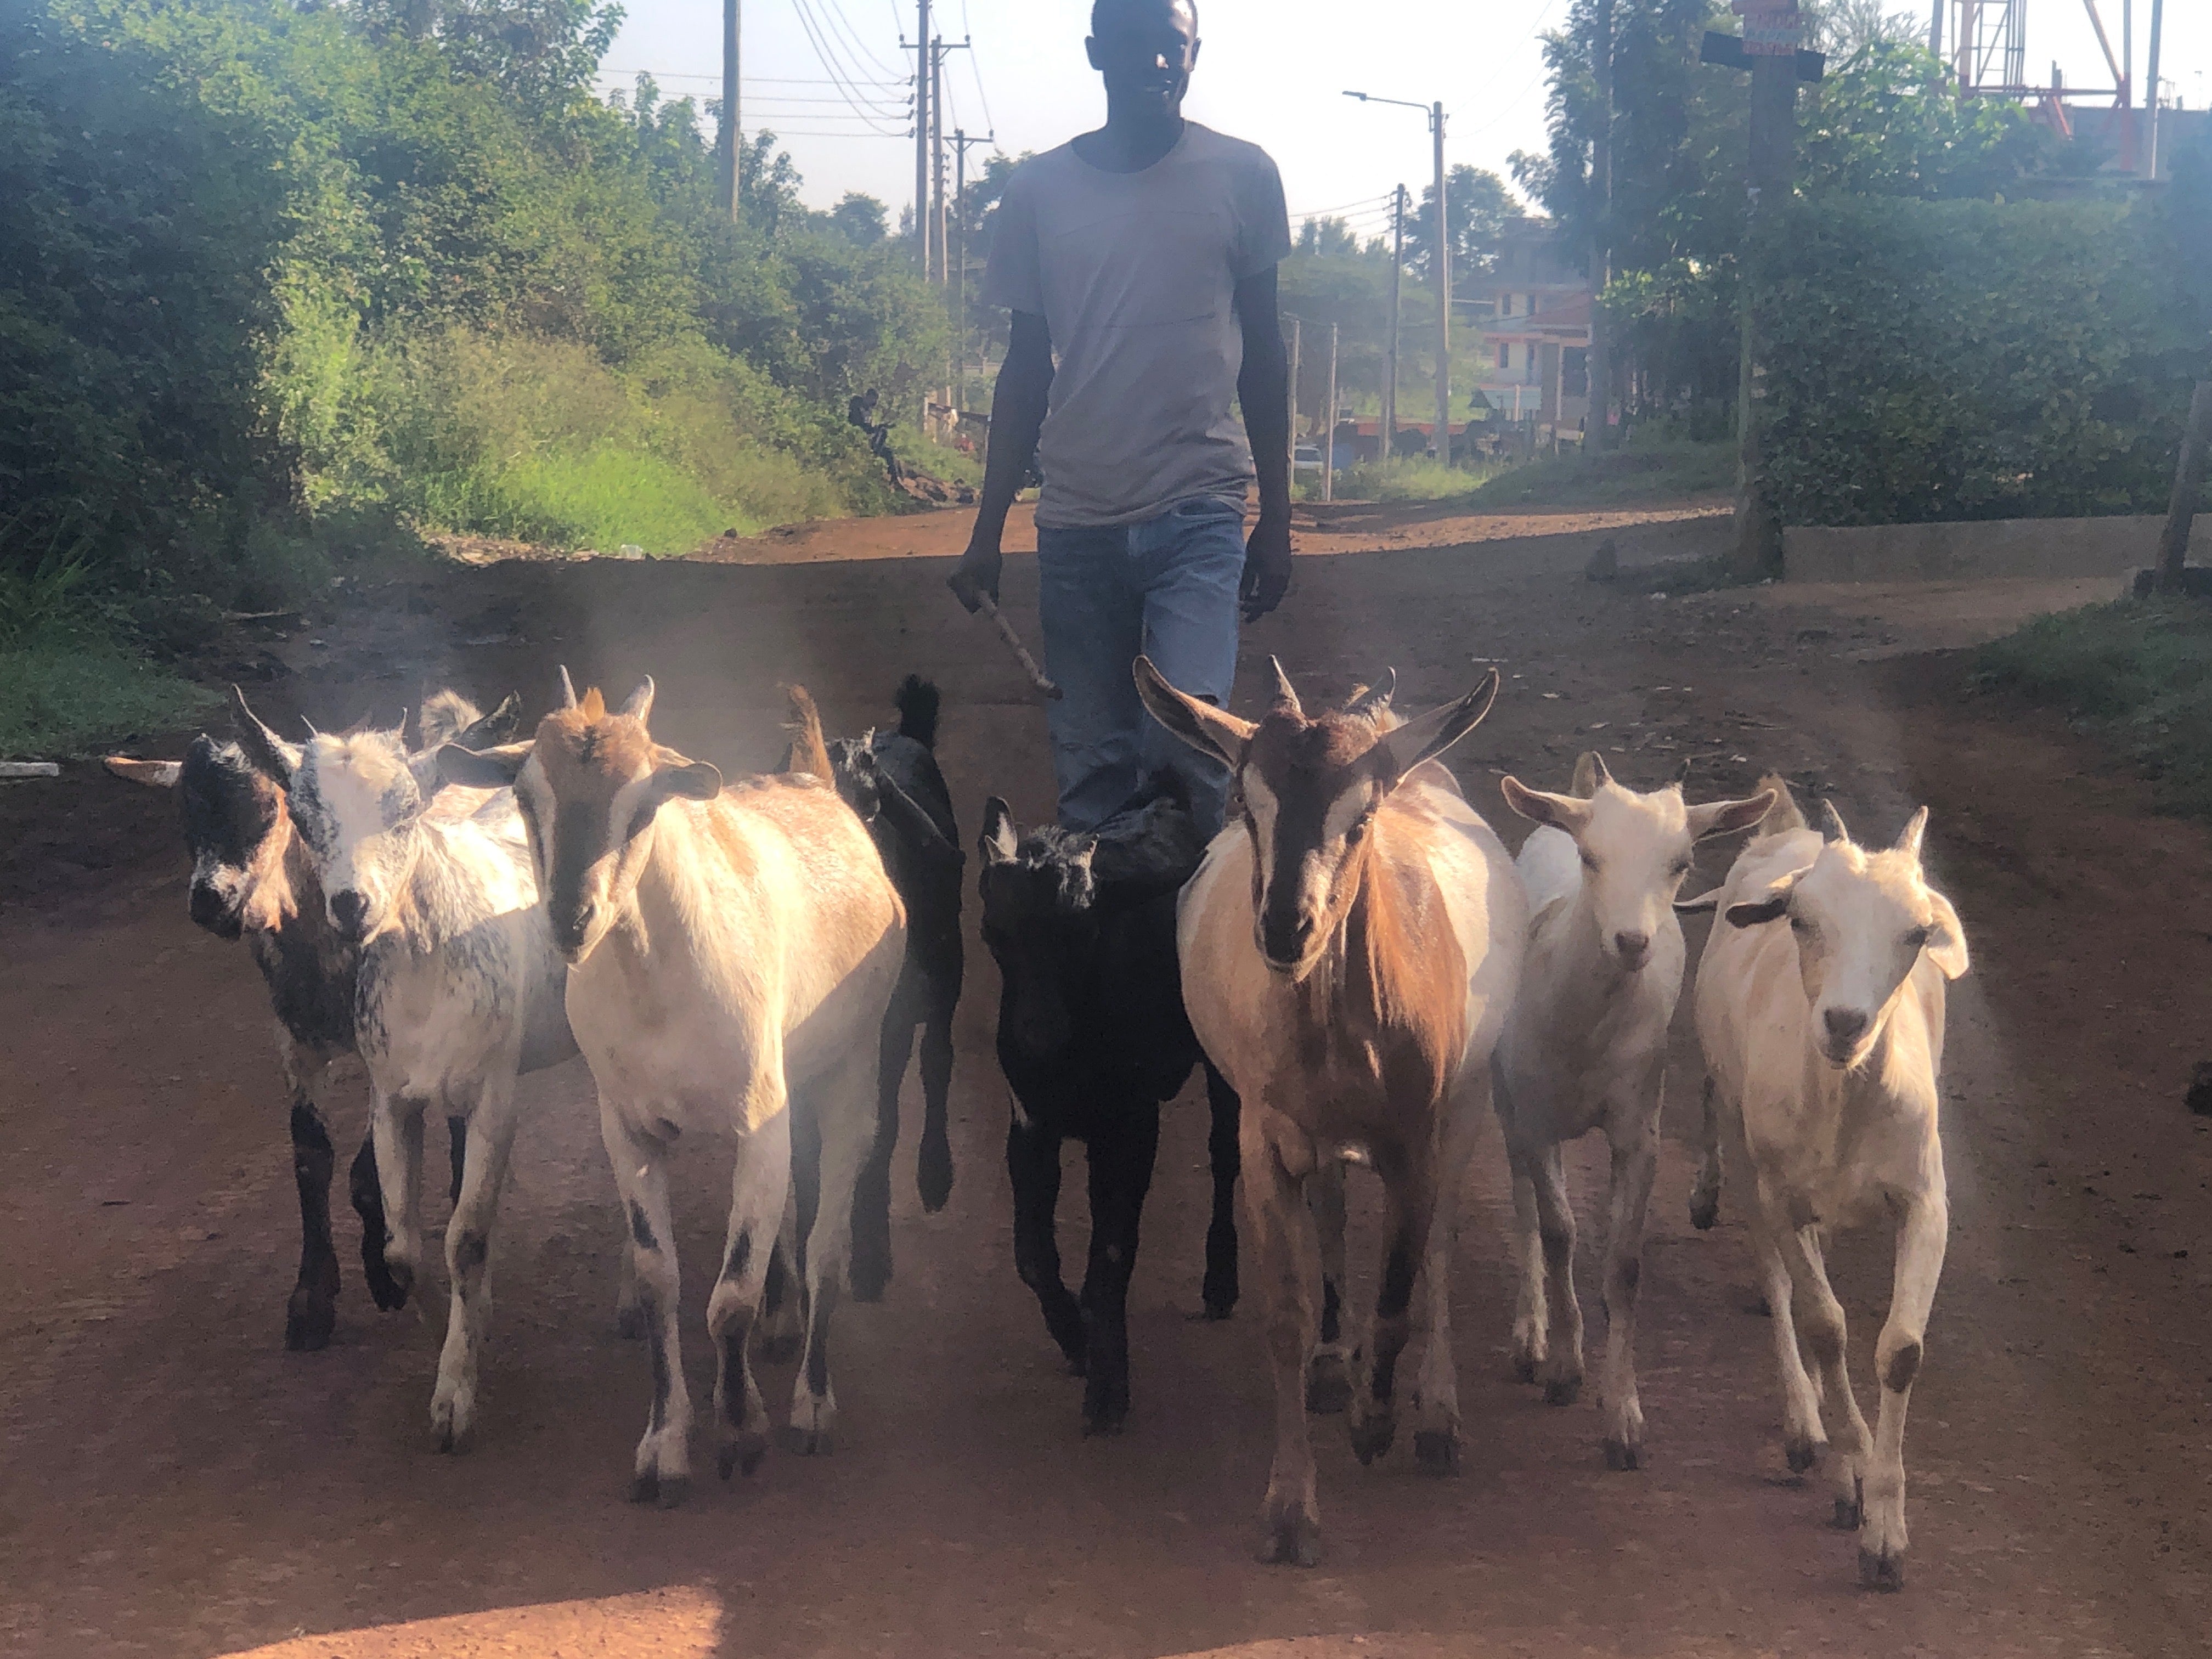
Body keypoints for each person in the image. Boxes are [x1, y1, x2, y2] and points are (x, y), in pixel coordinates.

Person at [947, 0, 1291, 837]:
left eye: (1172, 47)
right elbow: (1026, 367)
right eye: (1134, 46)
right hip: (1078, 523)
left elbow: (1268, 353)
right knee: (1094, 771)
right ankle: (1101, 964)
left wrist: (1277, 520)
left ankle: (1194, 962)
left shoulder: (1244, 176)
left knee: (1195, 747)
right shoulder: (1037, 192)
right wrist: (987, 530)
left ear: (1195, 53)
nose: (1155, 65)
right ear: (1097, 54)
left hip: (1201, 509)